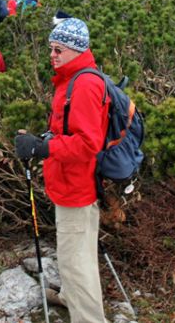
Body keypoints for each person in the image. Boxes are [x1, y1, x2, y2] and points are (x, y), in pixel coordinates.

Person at [14, 18, 108, 323]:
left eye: (59, 49)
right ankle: (70, 297)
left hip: (77, 188)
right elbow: (69, 130)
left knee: (75, 265)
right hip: (70, 184)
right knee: (76, 258)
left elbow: (87, 145)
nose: (52, 55)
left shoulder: (84, 85)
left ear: (77, 50)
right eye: (51, 48)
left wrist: (44, 149)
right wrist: (45, 140)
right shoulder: (72, 79)